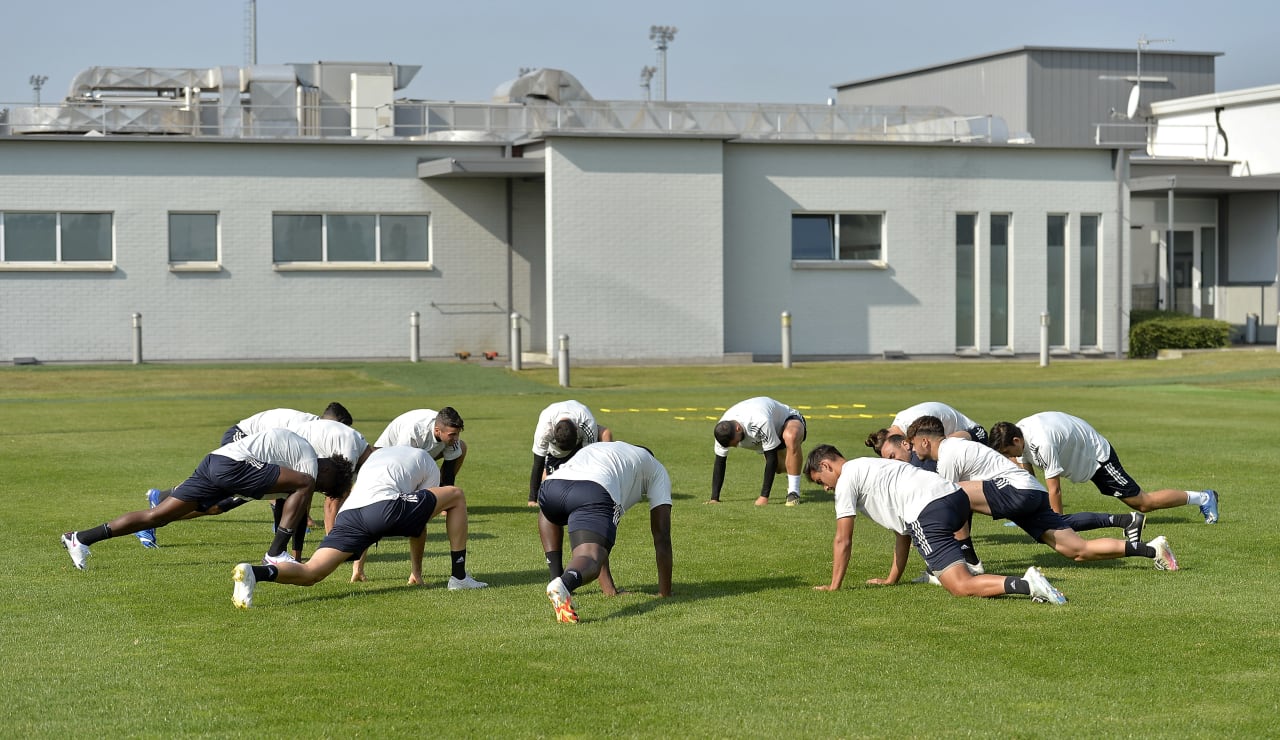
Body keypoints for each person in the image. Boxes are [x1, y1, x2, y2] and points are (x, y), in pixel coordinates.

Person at [906, 415, 1179, 571]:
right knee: (1079, 551)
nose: (913, 452)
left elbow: (948, 502)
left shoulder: (949, 454)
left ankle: (967, 562)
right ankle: (1151, 550)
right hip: (1031, 494)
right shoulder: (956, 447)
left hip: (1015, 491)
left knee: (950, 496)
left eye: (913, 445)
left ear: (925, 441)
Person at [804, 444, 1068, 604]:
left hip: (929, 509)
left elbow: (843, 539)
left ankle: (1028, 584)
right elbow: (903, 531)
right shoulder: (869, 466)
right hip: (955, 497)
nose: (825, 488)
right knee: (956, 574)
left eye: (820, 481)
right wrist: (891, 579)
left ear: (826, 465)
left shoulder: (847, 480)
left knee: (960, 586)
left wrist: (834, 585)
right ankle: (973, 570)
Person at [61, 428, 353, 571]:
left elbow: (290, 508)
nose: (320, 491)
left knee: (158, 517)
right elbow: (299, 503)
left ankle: (81, 538)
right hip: (231, 466)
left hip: (214, 462)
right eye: (327, 489)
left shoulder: (298, 471)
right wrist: (287, 552)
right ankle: (274, 554)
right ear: (329, 471)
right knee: (302, 485)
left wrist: (297, 554)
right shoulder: (309, 468)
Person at [232, 445, 486, 608]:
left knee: (312, 573)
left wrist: (357, 568)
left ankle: (255, 573)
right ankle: (460, 576)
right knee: (455, 494)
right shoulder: (426, 461)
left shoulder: (375, 459)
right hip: (385, 508)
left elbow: (369, 519)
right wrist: (416, 572)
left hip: (350, 514)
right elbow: (418, 526)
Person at [135, 416, 371, 552]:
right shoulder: (346, 450)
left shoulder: (335, 438)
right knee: (217, 502)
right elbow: (330, 504)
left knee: (218, 502)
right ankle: (155, 511)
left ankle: (159, 503)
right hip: (247, 442)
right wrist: (334, 549)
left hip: (267, 457)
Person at [988, 411, 1219, 524]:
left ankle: (1204, 497)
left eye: (1008, 453)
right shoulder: (1019, 433)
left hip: (1096, 457)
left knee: (1142, 503)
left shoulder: (1042, 442)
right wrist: (1030, 510)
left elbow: (1054, 490)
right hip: (1078, 453)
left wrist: (1057, 528)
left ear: (1016, 441)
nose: (1010, 458)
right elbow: (1028, 475)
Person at [537, 441, 673, 623]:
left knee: (553, 513)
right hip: (593, 490)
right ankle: (563, 584)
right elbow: (662, 535)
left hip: (551, 487)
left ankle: (556, 577)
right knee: (592, 556)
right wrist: (665, 593)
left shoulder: (604, 449)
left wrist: (609, 590)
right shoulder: (655, 468)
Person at [710, 396, 807, 506]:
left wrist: (764, 497)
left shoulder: (759, 420)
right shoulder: (722, 431)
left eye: (735, 443)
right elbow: (720, 462)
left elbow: (771, 459)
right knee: (778, 468)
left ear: (738, 428)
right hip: (769, 434)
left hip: (789, 420)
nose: (736, 446)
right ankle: (806, 470)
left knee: (791, 436)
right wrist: (714, 498)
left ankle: (793, 493)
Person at [528, 400, 614, 507]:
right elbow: (538, 463)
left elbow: (590, 459)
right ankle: (549, 473)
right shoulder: (544, 429)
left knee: (605, 433)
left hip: (580, 446)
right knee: (555, 487)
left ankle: (608, 485)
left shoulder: (586, 422)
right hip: (555, 453)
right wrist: (532, 499)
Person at [865, 400, 986, 472]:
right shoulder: (899, 426)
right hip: (956, 440)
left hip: (975, 434)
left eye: (892, 455)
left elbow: (939, 444)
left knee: (928, 456)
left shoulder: (916, 423)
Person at [375, 407, 467, 486]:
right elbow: (403, 465)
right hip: (388, 455)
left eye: (458, 433)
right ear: (437, 430)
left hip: (420, 452)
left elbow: (448, 473)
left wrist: (446, 496)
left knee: (461, 447)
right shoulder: (415, 431)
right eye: (452, 435)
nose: (456, 438)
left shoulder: (449, 435)